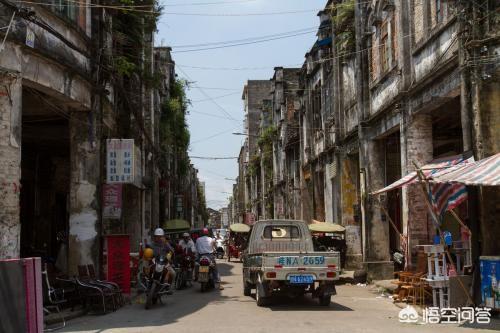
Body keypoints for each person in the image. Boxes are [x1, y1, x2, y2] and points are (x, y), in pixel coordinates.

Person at [148, 228, 176, 292]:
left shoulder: (166, 244)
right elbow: (146, 252)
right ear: (154, 237)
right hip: (154, 262)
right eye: (157, 237)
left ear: (163, 237)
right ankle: (147, 283)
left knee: (173, 273)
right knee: (145, 271)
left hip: (164, 262)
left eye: (160, 237)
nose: (158, 238)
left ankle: (168, 286)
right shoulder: (151, 244)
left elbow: (172, 251)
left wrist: (170, 257)